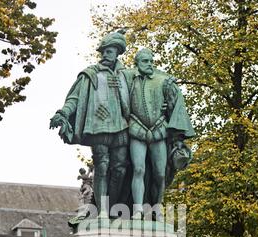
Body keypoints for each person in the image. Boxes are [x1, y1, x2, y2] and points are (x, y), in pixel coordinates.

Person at [50, 31, 130, 215]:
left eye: (109, 51)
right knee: (101, 166)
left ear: (117, 52)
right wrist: (63, 112)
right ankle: (102, 211)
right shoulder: (90, 74)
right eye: (104, 51)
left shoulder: (127, 75)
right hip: (98, 127)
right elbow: (74, 98)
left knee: (119, 169)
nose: (105, 54)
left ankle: (113, 208)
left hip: (122, 127)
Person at [127, 48, 195, 218]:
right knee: (138, 169)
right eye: (145, 61)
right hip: (136, 129)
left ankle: (157, 207)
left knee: (160, 172)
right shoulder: (129, 80)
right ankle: (137, 209)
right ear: (137, 63)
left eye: (151, 61)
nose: (149, 64)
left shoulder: (164, 80)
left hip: (159, 131)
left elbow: (175, 108)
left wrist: (178, 137)